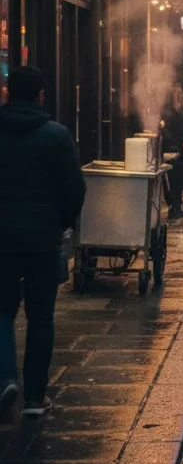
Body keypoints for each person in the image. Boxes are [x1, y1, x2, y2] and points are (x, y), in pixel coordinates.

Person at [0, 67, 86, 418]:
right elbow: (74, 190)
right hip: (42, 240)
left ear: (8, 94)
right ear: (39, 95)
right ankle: (35, 397)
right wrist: (59, 224)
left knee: (2, 312)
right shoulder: (56, 135)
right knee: (41, 317)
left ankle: (6, 377)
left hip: (2, 240)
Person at [161, 84, 183, 220]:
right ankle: (174, 207)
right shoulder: (169, 113)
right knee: (173, 180)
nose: (181, 96)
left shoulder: (178, 111)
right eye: (177, 94)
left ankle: (177, 205)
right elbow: (170, 131)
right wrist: (179, 144)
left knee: (177, 180)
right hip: (173, 149)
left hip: (178, 149)